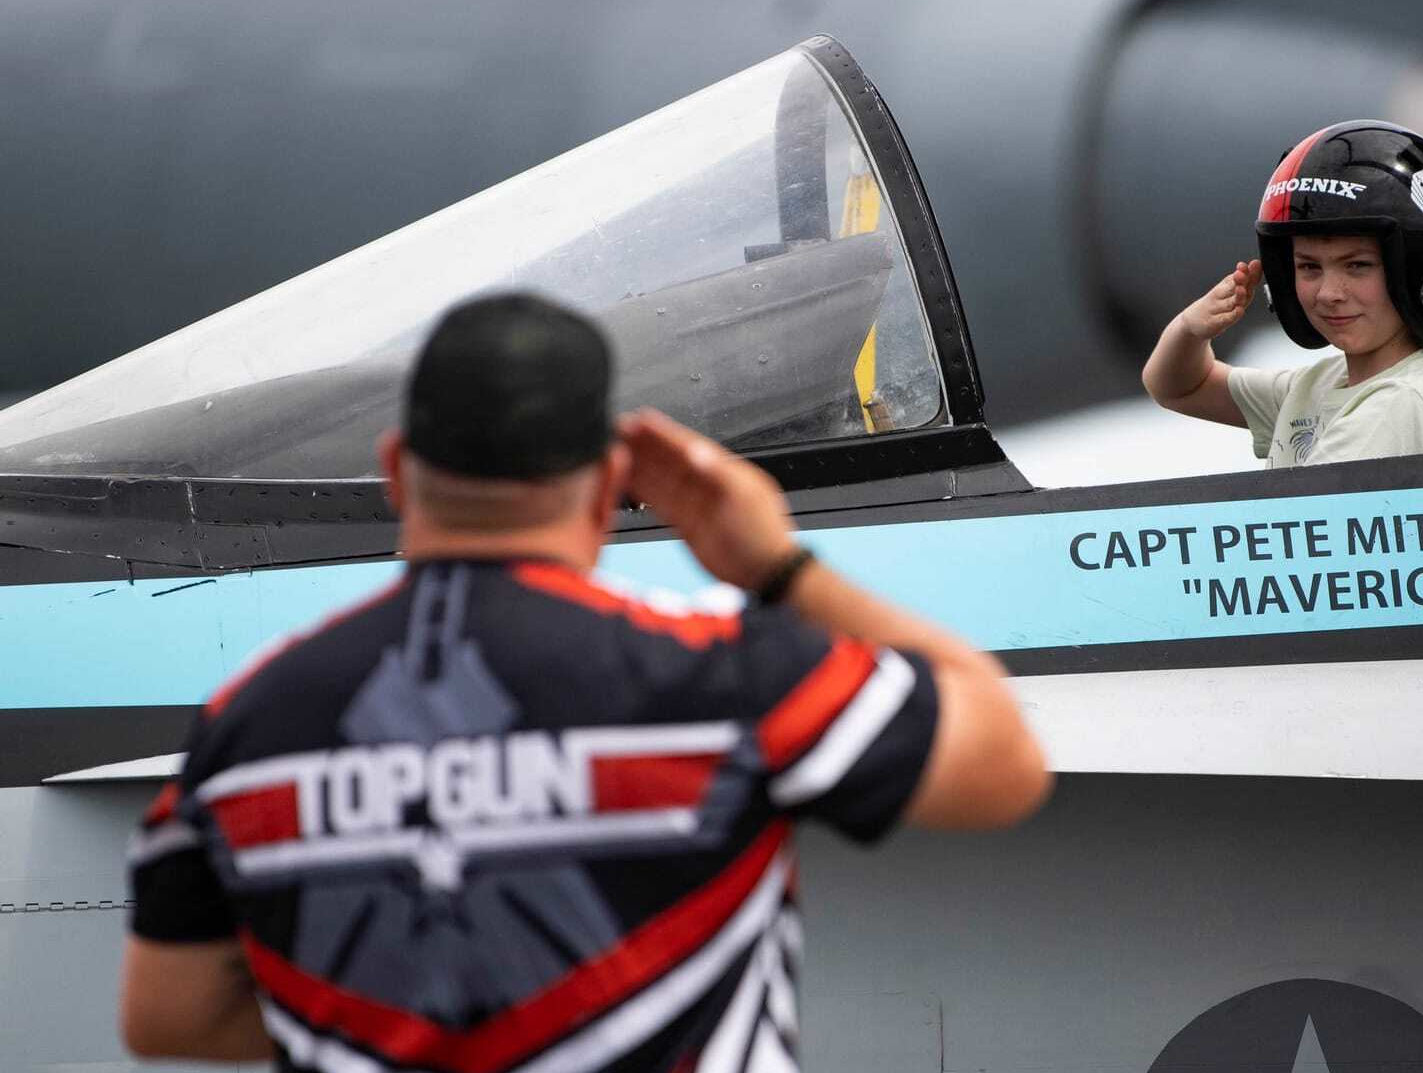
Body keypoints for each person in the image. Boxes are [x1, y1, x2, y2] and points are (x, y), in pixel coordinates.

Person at [118, 292, 1051, 1072]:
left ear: (398, 472)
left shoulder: (246, 721)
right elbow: (1001, 764)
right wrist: (774, 567)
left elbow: (168, 1019)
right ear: (609, 484)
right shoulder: (725, 672)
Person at [1142, 120, 1423, 468]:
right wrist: (1190, 330)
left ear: (1418, 269)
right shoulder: (1320, 387)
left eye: (1357, 266)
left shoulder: (1399, 403)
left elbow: (1308, 515)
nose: (1329, 293)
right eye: (1309, 268)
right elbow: (1178, 387)